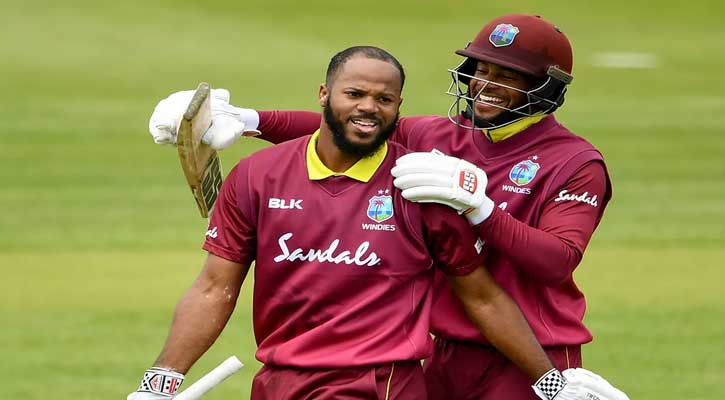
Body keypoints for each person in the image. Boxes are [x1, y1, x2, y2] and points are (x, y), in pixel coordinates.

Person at [147, 15, 629, 400]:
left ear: (546, 87)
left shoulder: (575, 162)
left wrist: (481, 209)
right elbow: (350, 124)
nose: (486, 84)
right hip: (444, 350)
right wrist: (247, 119)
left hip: (534, 352)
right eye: (481, 70)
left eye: (508, 76)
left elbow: (556, 262)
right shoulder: (438, 135)